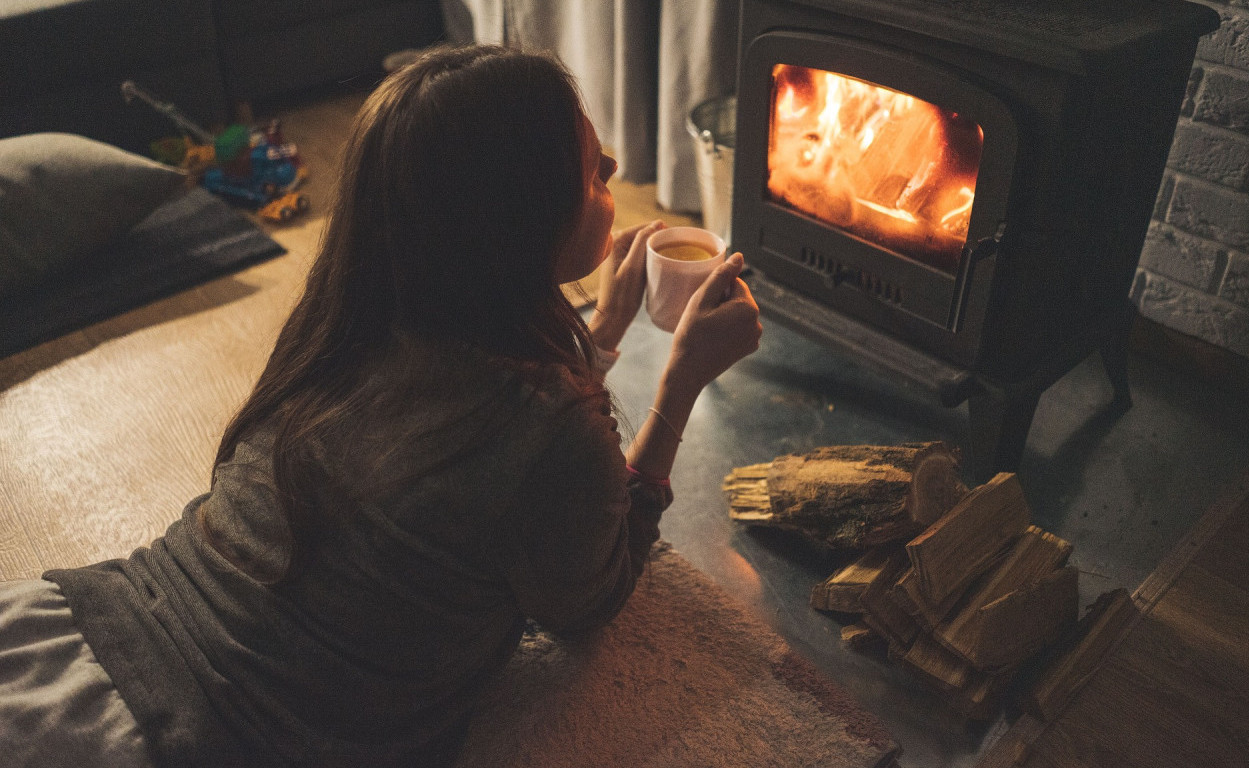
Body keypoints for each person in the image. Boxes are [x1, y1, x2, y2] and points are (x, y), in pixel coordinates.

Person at [0, 45, 761, 767]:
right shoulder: (553, 436)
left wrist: (598, 336)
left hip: (95, 627)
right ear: (516, 219)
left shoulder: (347, 320)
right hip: (196, 735)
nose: (616, 169)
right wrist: (682, 382)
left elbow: (469, 436)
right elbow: (589, 598)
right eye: (591, 168)